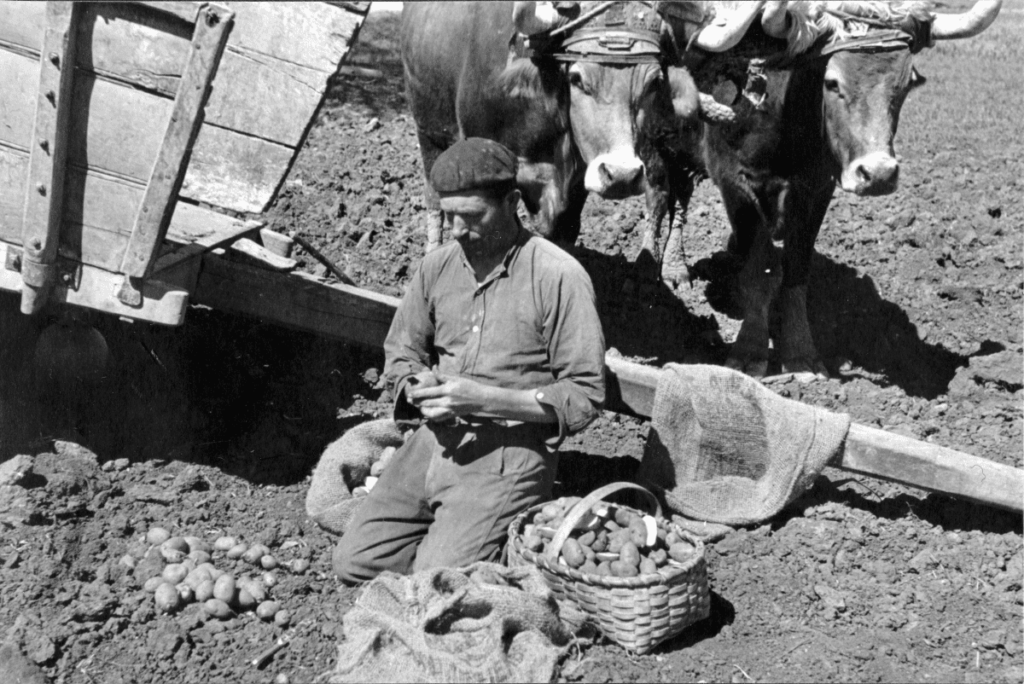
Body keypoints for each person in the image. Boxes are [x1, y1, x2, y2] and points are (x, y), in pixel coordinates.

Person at [333, 138, 606, 583]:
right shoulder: (437, 267)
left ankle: (495, 548)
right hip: (434, 440)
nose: (458, 228)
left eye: (473, 216)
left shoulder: (558, 275)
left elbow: (584, 396)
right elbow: (402, 350)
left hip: (510, 455)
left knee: (433, 582)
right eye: (448, 215)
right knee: (355, 563)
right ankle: (466, 542)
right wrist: (416, 386)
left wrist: (480, 399)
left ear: (513, 203)